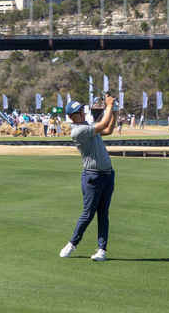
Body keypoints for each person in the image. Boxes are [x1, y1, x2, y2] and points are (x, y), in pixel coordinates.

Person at [59, 94, 117, 262]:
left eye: (81, 110)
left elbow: (108, 129)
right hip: (92, 177)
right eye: (77, 112)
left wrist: (115, 112)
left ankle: (102, 250)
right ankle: (72, 244)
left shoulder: (88, 126)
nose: (82, 113)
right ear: (71, 117)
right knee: (88, 213)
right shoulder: (78, 131)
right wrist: (108, 105)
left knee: (103, 214)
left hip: (107, 175)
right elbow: (103, 124)